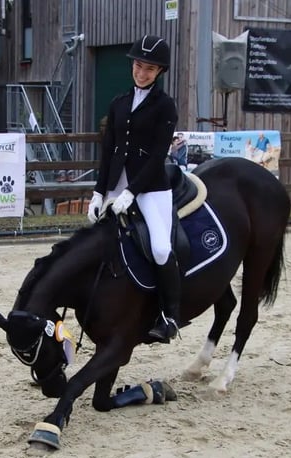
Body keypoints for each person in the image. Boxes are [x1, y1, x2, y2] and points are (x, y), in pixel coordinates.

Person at [87, 34, 181, 343]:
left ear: (159, 73)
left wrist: (132, 193)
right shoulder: (119, 103)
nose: (142, 73)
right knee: (97, 243)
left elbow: (157, 157)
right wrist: (99, 192)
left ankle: (170, 316)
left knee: (160, 248)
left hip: (152, 187)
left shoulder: (165, 106)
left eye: (149, 70)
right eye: (139, 66)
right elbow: (109, 150)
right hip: (118, 184)